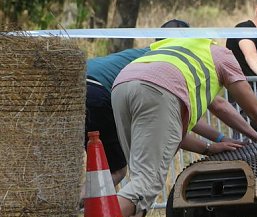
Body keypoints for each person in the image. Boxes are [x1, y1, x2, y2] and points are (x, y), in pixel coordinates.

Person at [111, 36, 257, 217]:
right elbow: (255, 109)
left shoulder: (177, 48)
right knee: (146, 183)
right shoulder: (224, 56)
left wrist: (252, 137)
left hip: (122, 86)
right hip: (156, 91)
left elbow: (219, 107)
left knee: (139, 182)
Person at [84, 19, 243, 188]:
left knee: (95, 167)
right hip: (96, 90)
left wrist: (220, 139)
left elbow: (184, 119)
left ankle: (71, 207)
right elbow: (216, 106)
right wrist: (215, 145)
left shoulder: (150, 55)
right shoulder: (172, 62)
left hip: (79, 84)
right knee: (116, 171)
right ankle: (82, 209)